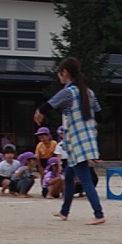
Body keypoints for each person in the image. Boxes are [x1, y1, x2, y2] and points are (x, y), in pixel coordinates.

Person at [33, 57, 106, 225]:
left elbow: (50, 104)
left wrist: (39, 112)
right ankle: (64, 212)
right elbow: (100, 114)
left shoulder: (70, 91)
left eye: (59, 73)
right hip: (85, 140)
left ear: (64, 72)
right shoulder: (89, 92)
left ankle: (99, 213)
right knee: (68, 177)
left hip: (76, 142)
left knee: (85, 179)